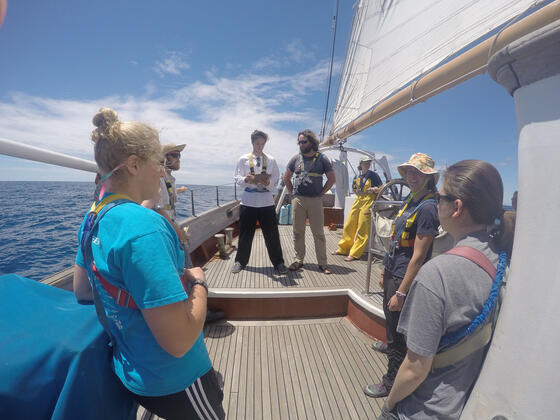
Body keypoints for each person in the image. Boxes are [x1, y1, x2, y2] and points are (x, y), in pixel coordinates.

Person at [73, 108, 224, 419]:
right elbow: (179, 342)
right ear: (133, 164)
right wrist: (199, 283)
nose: (163, 172)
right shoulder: (145, 227)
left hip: (130, 372)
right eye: (159, 163)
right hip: (177, 379)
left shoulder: (93, 219)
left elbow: (83, 291)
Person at [379, 160, 516, 420]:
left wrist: (389, 405)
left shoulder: (437, 275)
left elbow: (415, 369)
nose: (435, 201)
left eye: (440, 197)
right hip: (470, 399)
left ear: (456, 208)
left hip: (427, 409)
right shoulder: (501, 256)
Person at [364, 153, 440, 398]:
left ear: (429, 177)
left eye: (418, 172)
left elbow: (419, 256)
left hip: (403, 277)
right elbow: (397, 241)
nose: (411, 176)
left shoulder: (428, 207)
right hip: (393, 270)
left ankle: (391, 381)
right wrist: (385, 269)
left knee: (397, 333)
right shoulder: (411, 199)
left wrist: (401, 291)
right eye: (409, 172)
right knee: (391, 321)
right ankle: (391, 345)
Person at [231, 130, 287, 274]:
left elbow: (276, 178)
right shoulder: (243, 159)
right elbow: (237, 177)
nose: (260, 146)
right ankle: (240, 261)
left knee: (272, 234)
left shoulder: (271, 160)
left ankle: (279, 263)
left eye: (262, 144)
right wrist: (246, 180)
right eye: (257, 144)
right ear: (252, 143)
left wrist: (268, 183)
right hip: (248, 201)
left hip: (266, 202)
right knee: (245, 233)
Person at [283, 129, 336, 274]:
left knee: (318, 233)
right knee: (298, 232)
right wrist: (293, 193)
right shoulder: (295, 159)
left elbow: (332, 179)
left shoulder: (322, 159)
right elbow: (286, 178)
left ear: (311, 142)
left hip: (315, 201)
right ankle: (299, 260)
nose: (301, 144)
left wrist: (321, 193)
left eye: (303, 141)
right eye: (299, 142)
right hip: (298, 200)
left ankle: (322, 263)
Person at [333, 155, 383, 261]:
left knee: (362, 227)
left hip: (368, 201)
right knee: (349, 225)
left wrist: (375, 189)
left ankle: (355, 253)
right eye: (365, 162)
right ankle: (344, 249)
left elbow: (381, 188)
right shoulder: (357, 177)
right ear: (361, 164)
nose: (368, 164)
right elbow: (355, 189)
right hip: (358, 200)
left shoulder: (373, 175)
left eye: (369, 162)